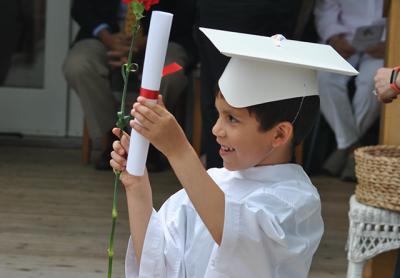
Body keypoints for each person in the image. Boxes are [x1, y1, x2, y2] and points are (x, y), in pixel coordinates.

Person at [109, 29, 357, 277]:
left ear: (279, 134)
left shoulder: (297, 201)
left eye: (232, 119)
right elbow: (156, 262)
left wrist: (178, 150)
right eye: (218, 114)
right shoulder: (212, 182)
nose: (216, 129)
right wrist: (137, 185)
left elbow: (236, 238)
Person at [63, 0, 196, 170]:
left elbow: (187, 12)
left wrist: (149, 40)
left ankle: (148, 143)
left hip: (165, 34)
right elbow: (81, 7)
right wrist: (106, 37)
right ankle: (114, 138)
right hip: (104, 32)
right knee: (79, 66)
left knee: (170, 74)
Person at [196, 0, 306, 169]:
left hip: (262, 18)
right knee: (218, 99)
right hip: (215, 15)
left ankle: (273, 170)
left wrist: (178, 152)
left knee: (262, 106)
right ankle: (220, 170)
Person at [314, 0, 386, 180]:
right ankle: (352, 147)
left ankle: (344, 148)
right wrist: (334, 38)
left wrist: (392, 42)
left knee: (373, 82)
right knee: (323, 77)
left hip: (382, 44)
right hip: (344, 43)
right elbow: (326, 9)